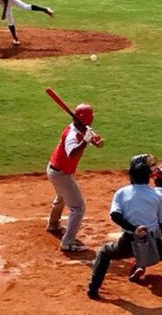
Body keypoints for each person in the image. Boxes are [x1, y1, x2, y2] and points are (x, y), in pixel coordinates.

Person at [88, 154, 162, 302]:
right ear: (149, 177)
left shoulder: (121, 193)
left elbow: (115, 216)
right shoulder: (157, 196)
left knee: (104, 252)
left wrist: (133, 228)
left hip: (128, 242)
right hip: (154, 244)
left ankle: (92, 290)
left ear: (130, 176)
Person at [46, 103, 103, 252]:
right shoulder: (73, 134)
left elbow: (88, 134)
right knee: (78, 208)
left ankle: (53, 224)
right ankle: (68, 242)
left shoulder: (80, 127)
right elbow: (72, 153)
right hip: (60, 174)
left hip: (56, 171)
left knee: (61, 197)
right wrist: (85, 141)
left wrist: (94, 141)